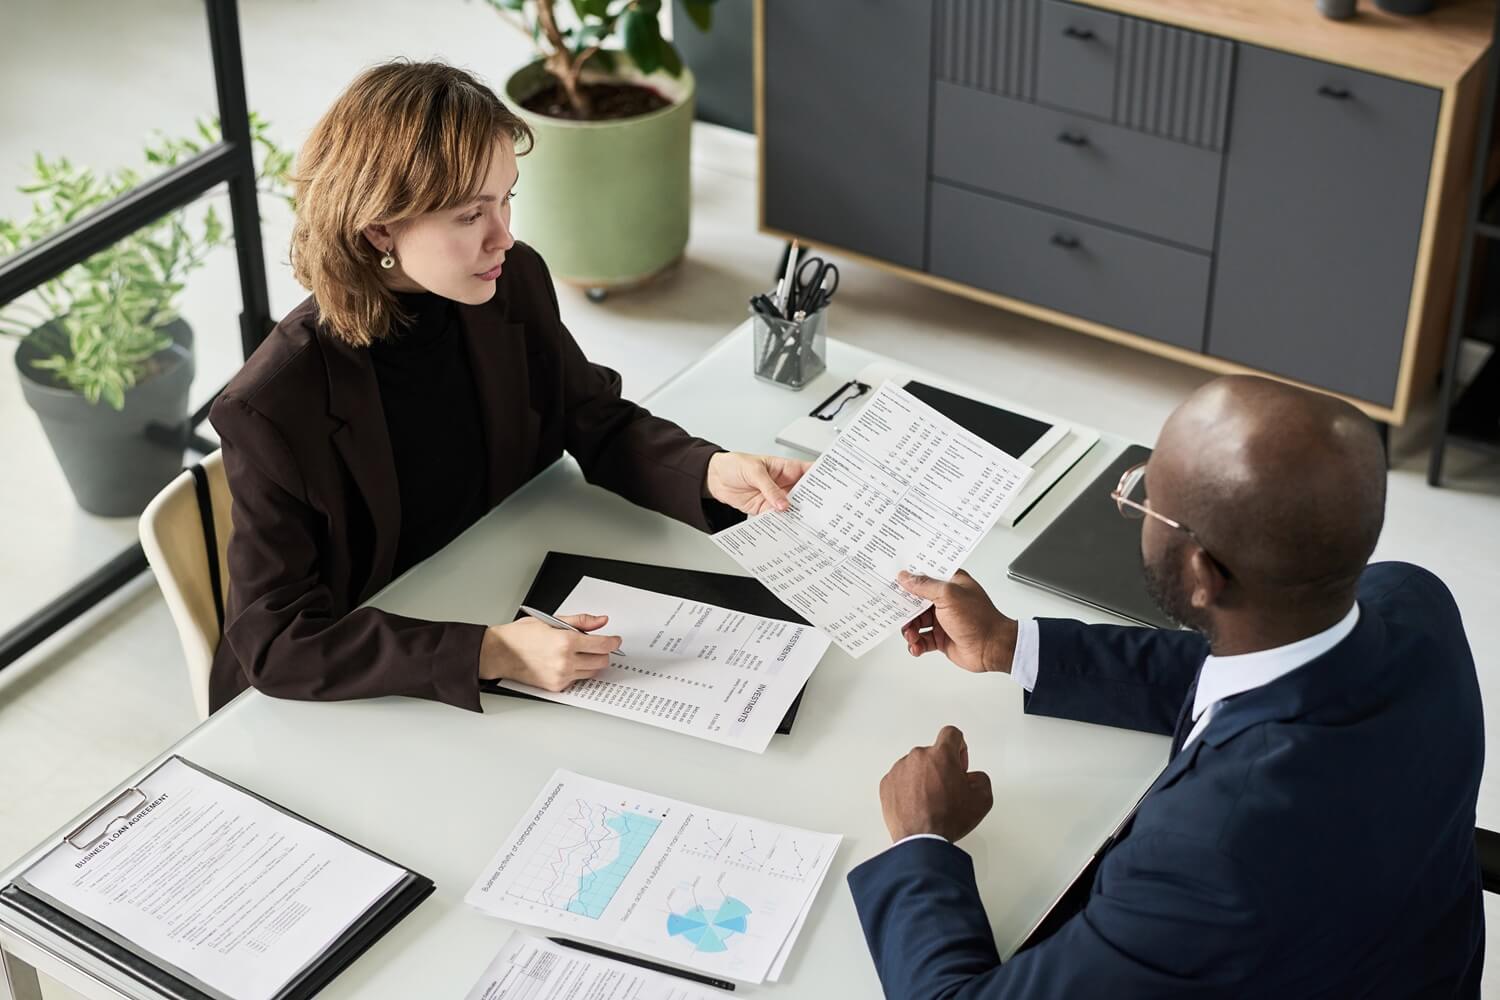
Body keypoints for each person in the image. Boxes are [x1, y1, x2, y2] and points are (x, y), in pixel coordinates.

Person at [847, 375, 1484, 997]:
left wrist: (919, 843)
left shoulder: (1211, 855)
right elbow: (1236, 664)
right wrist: (1009, 645)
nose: (1130, 508)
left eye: (1144, 498)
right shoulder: (1408, 598)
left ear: (1203, 573)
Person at [208, 61, 807, 713]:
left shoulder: (508, 281)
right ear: (380, 227)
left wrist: (712, 472)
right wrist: (490, 651)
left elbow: (593, 419)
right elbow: (274, 642)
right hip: (374, 685)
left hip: (504, 589)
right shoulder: (272, 403)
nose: (504, 235)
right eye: (471, 215)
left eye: (506, 198)